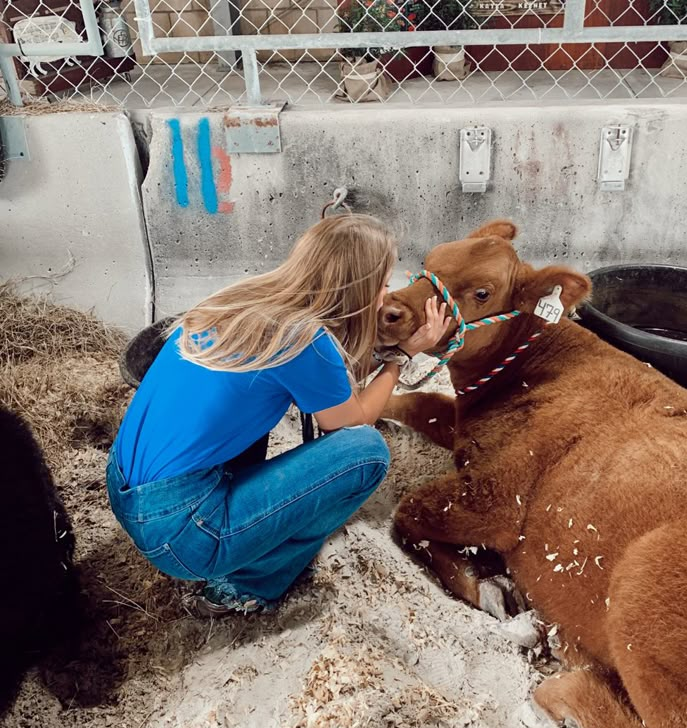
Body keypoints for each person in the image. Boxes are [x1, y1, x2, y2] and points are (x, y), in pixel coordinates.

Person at [106, 215, 449, 617]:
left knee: (250, 401)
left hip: (128, 491)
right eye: (383, 283)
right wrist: (403, 356)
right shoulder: (303, 338)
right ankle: (246, 586)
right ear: (360, 286)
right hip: (181, 535)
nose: (384, 296)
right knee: (367, 451)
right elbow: (352, 421)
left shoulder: (238, 301)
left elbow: (332, 383)